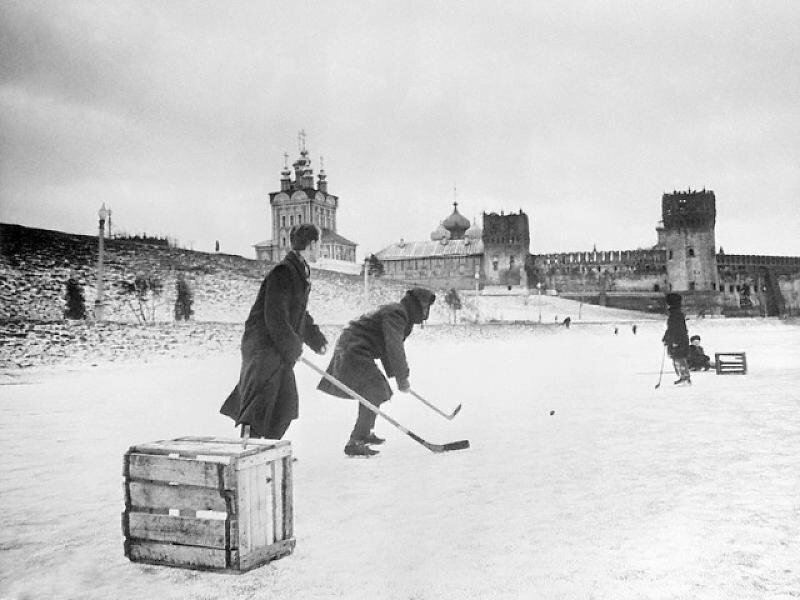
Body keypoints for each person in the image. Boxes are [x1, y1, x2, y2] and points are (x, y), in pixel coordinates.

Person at [220, 224, 327, 441]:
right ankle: (250, 450)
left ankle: (268, 449)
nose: (320, 249)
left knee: (285, 407)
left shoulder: (299, 271)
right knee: (260, 403)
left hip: (277, 347)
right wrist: (293, 347)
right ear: (313, 244)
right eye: (319, 245)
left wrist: (315, 339)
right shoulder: (284, 271)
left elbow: (297, 313)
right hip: (263, 347)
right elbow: (275, 316)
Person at [317, 288, 437, 457]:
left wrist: (398, 377)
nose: (426, 312)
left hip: (356, 347)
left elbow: (388, 348)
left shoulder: (402, 315)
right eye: (424, 307)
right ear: (416, 305)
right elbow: (394, 347)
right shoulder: (397, 314)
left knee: (374, 390)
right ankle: (356, 440)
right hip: (353, 349)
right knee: (375, 390)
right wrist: (402, 377)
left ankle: (364, 433)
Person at [662, 292, 691, 385]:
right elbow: (671, 328)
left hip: (678, 340)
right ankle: (683, 376)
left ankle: (685, 377)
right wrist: (666, 337)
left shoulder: (675, 314)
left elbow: (676, 329)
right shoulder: (676, 313)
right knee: (677, 358)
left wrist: (674, 340)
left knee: (679, 358)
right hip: (678, 339)